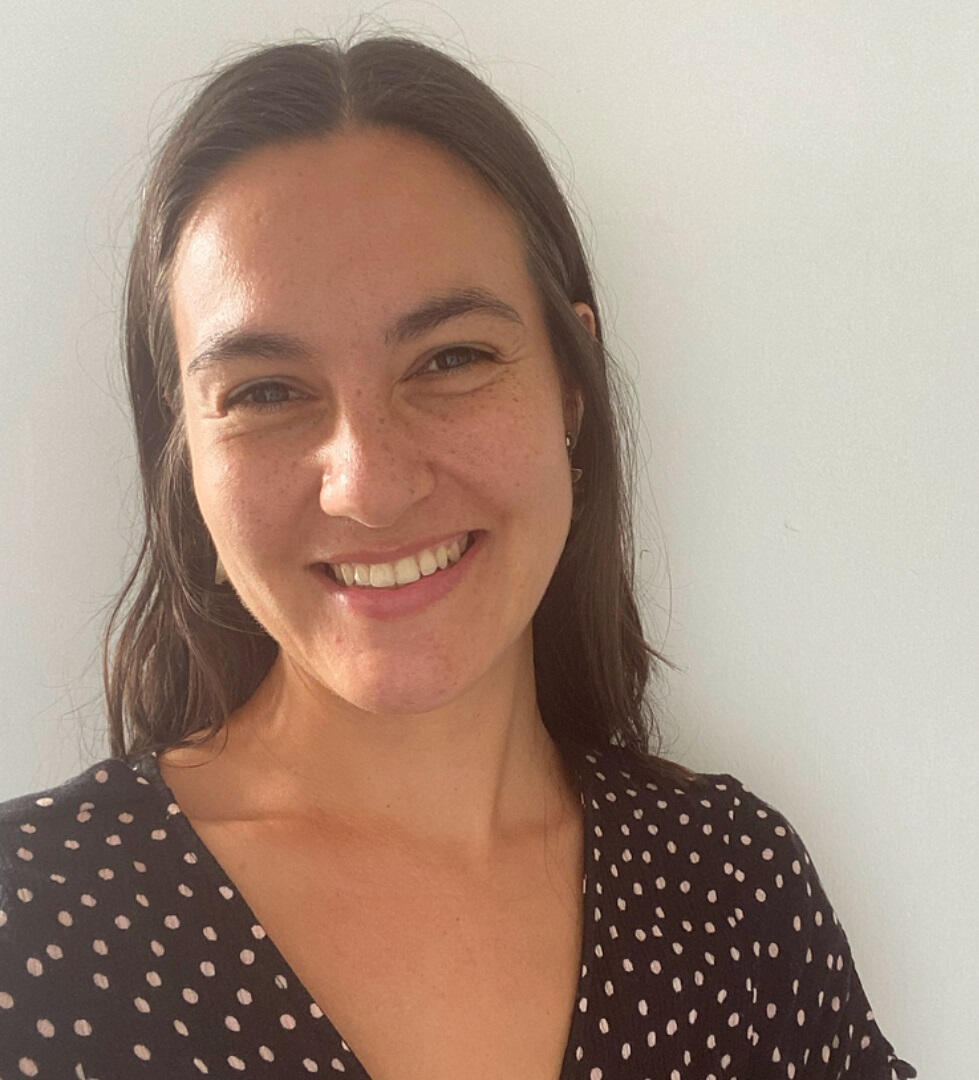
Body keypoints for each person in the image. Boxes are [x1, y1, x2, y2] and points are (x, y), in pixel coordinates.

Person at [0, 34, 915, 1080]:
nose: (370, 483)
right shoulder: (32, 927)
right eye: (263, 392)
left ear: (569, 381)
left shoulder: (729, 891)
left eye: (451, 359)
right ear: (186, 455)